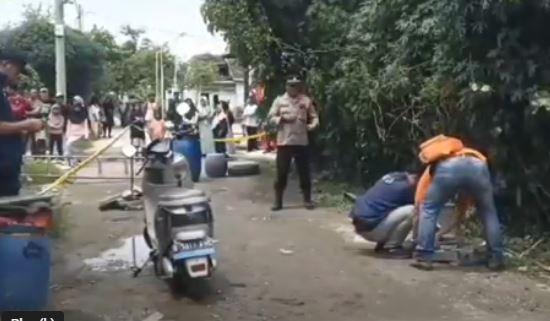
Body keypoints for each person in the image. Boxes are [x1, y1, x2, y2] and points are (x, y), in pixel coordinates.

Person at [412, 135, 504, 271]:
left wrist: (419, 231)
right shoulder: (472, 154)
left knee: (429, 209)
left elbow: (421, 200)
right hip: (478, 167)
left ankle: (424, 257)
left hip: (449, 167)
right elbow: (465, 203)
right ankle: (496, 258)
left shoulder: (433, 168)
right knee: (488, 212)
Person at [268, 76, 319, 211]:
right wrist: (280, 119)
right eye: (291, 85)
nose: (293, 88)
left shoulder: (305, 101)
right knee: (282, 172)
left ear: (299, 87)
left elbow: (314, 117)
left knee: (304, 172)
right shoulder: (279, 101)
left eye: (296, 85)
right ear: (286, 86)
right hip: (284, 141)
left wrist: (311, 126)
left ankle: (307, 200)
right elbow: (271, 116)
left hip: (301, 141)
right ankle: (278, 201)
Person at [0, 51, 44, 196]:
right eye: (18, 71)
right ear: (5, 64)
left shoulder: (3, 91)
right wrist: (25, 125)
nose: (19, 76)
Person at [350, 172, 418, 257]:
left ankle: (383, 243)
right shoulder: (406, 188)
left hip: (362, 225)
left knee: (391, 208)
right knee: (413, 210)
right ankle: (391, 247)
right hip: (371, 229)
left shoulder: (392, 177)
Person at [65, 96, 90, 166]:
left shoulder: (83, 114)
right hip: (72, 135)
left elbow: (86, 126)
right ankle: (71, 162)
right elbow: (68, 126)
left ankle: (76, 162)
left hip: (80, 135)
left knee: (77, 150)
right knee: (68, 147)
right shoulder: (71, 114)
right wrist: (67, 135)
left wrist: (86, 135)